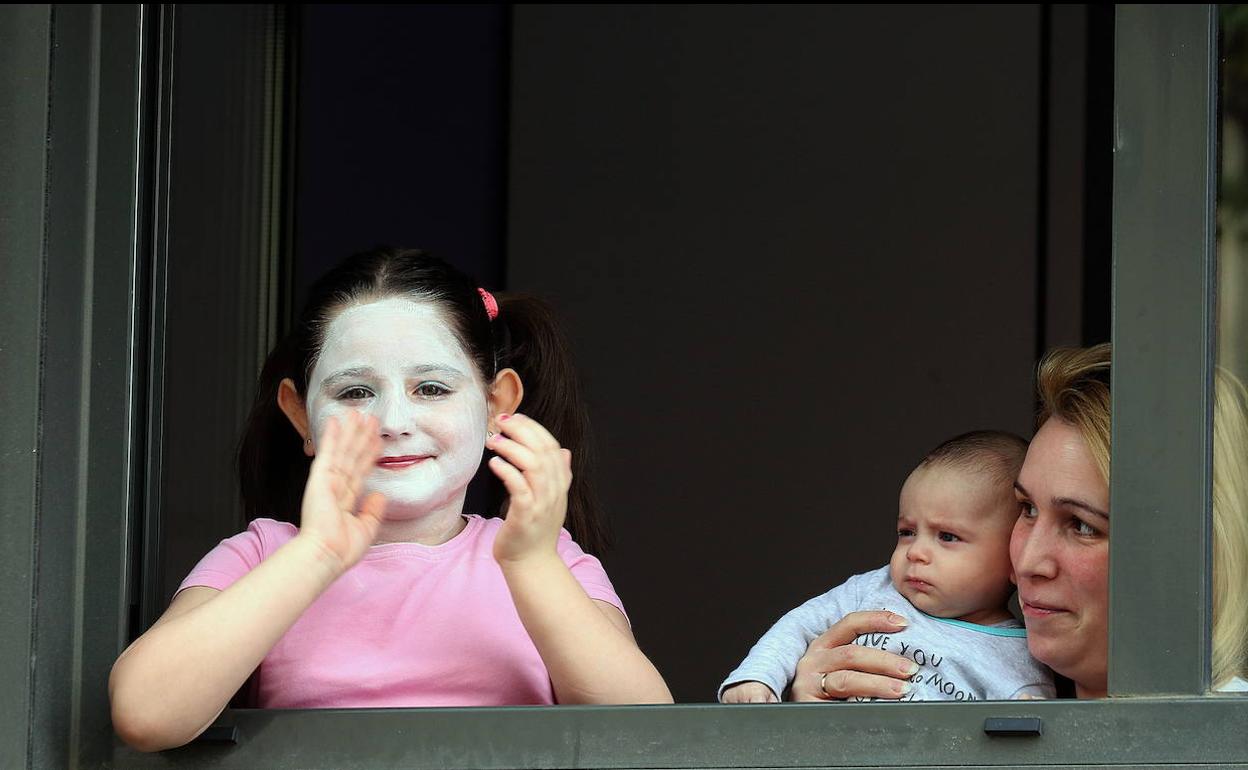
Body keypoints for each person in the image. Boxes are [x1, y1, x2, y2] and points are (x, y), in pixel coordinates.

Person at [109, 247, 673, 752]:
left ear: (497, 404)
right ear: (301, 415)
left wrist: (531, 563)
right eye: (355, 392)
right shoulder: (261, 556)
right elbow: (146, 715)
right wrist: (317, 555)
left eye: (432, 388)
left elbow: (649, 735)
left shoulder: (547, 558)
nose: (393, 422)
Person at [783, 344, 1248, 700]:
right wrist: (828, 734)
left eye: (1081, 525)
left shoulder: (1228, 739)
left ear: (1189, 548)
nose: (1025, 561)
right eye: (1027, 509)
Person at [720, 431, 1054, 703]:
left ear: (1013, 555)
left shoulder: (1019, 655)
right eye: (907, 532)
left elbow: (1031, 737)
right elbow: (799, 625)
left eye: (948, 537)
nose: (916, 552)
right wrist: (759, 677)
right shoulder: (873, 590)